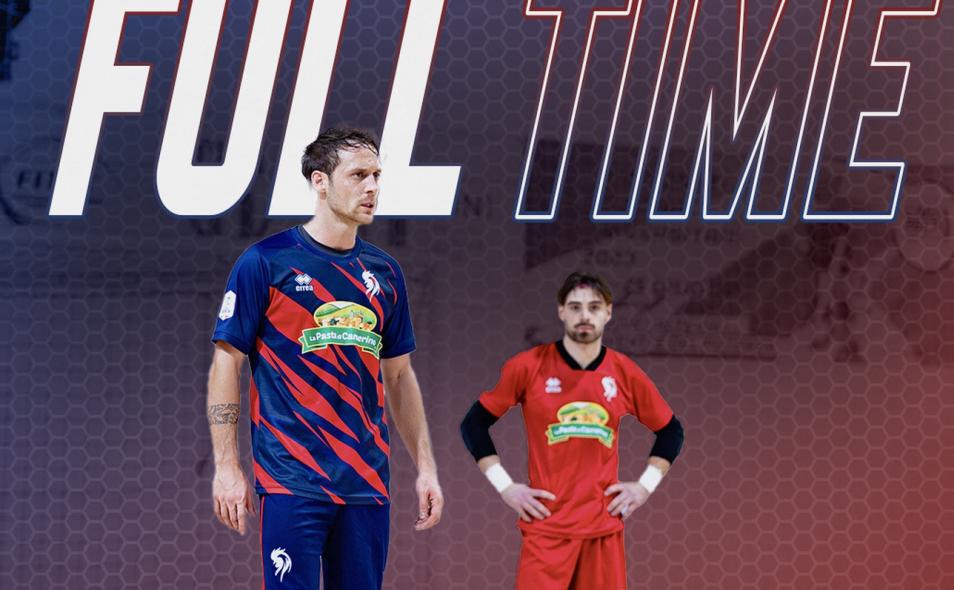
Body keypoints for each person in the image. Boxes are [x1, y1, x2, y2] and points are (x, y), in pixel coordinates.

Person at [207, 127, 443, 590]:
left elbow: (399, 376)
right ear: (320, 181)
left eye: (376, 176)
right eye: (358, 175)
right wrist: (227, 466)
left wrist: (426, 467)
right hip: (292, 477)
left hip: (366, 483)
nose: (372, 187)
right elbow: (226, 362)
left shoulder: (385, 273)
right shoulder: (266, 263)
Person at [460, 272, 684, 590]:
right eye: (575, 307)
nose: (584, 316)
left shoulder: (623, 371)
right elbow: (473, 424)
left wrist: (643, 487)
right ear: (561, 311)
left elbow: (671, 431)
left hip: (603, 531)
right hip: (546, 529)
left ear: (608, 312)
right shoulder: (528, 366)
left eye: (594, 307)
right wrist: (506, 487)